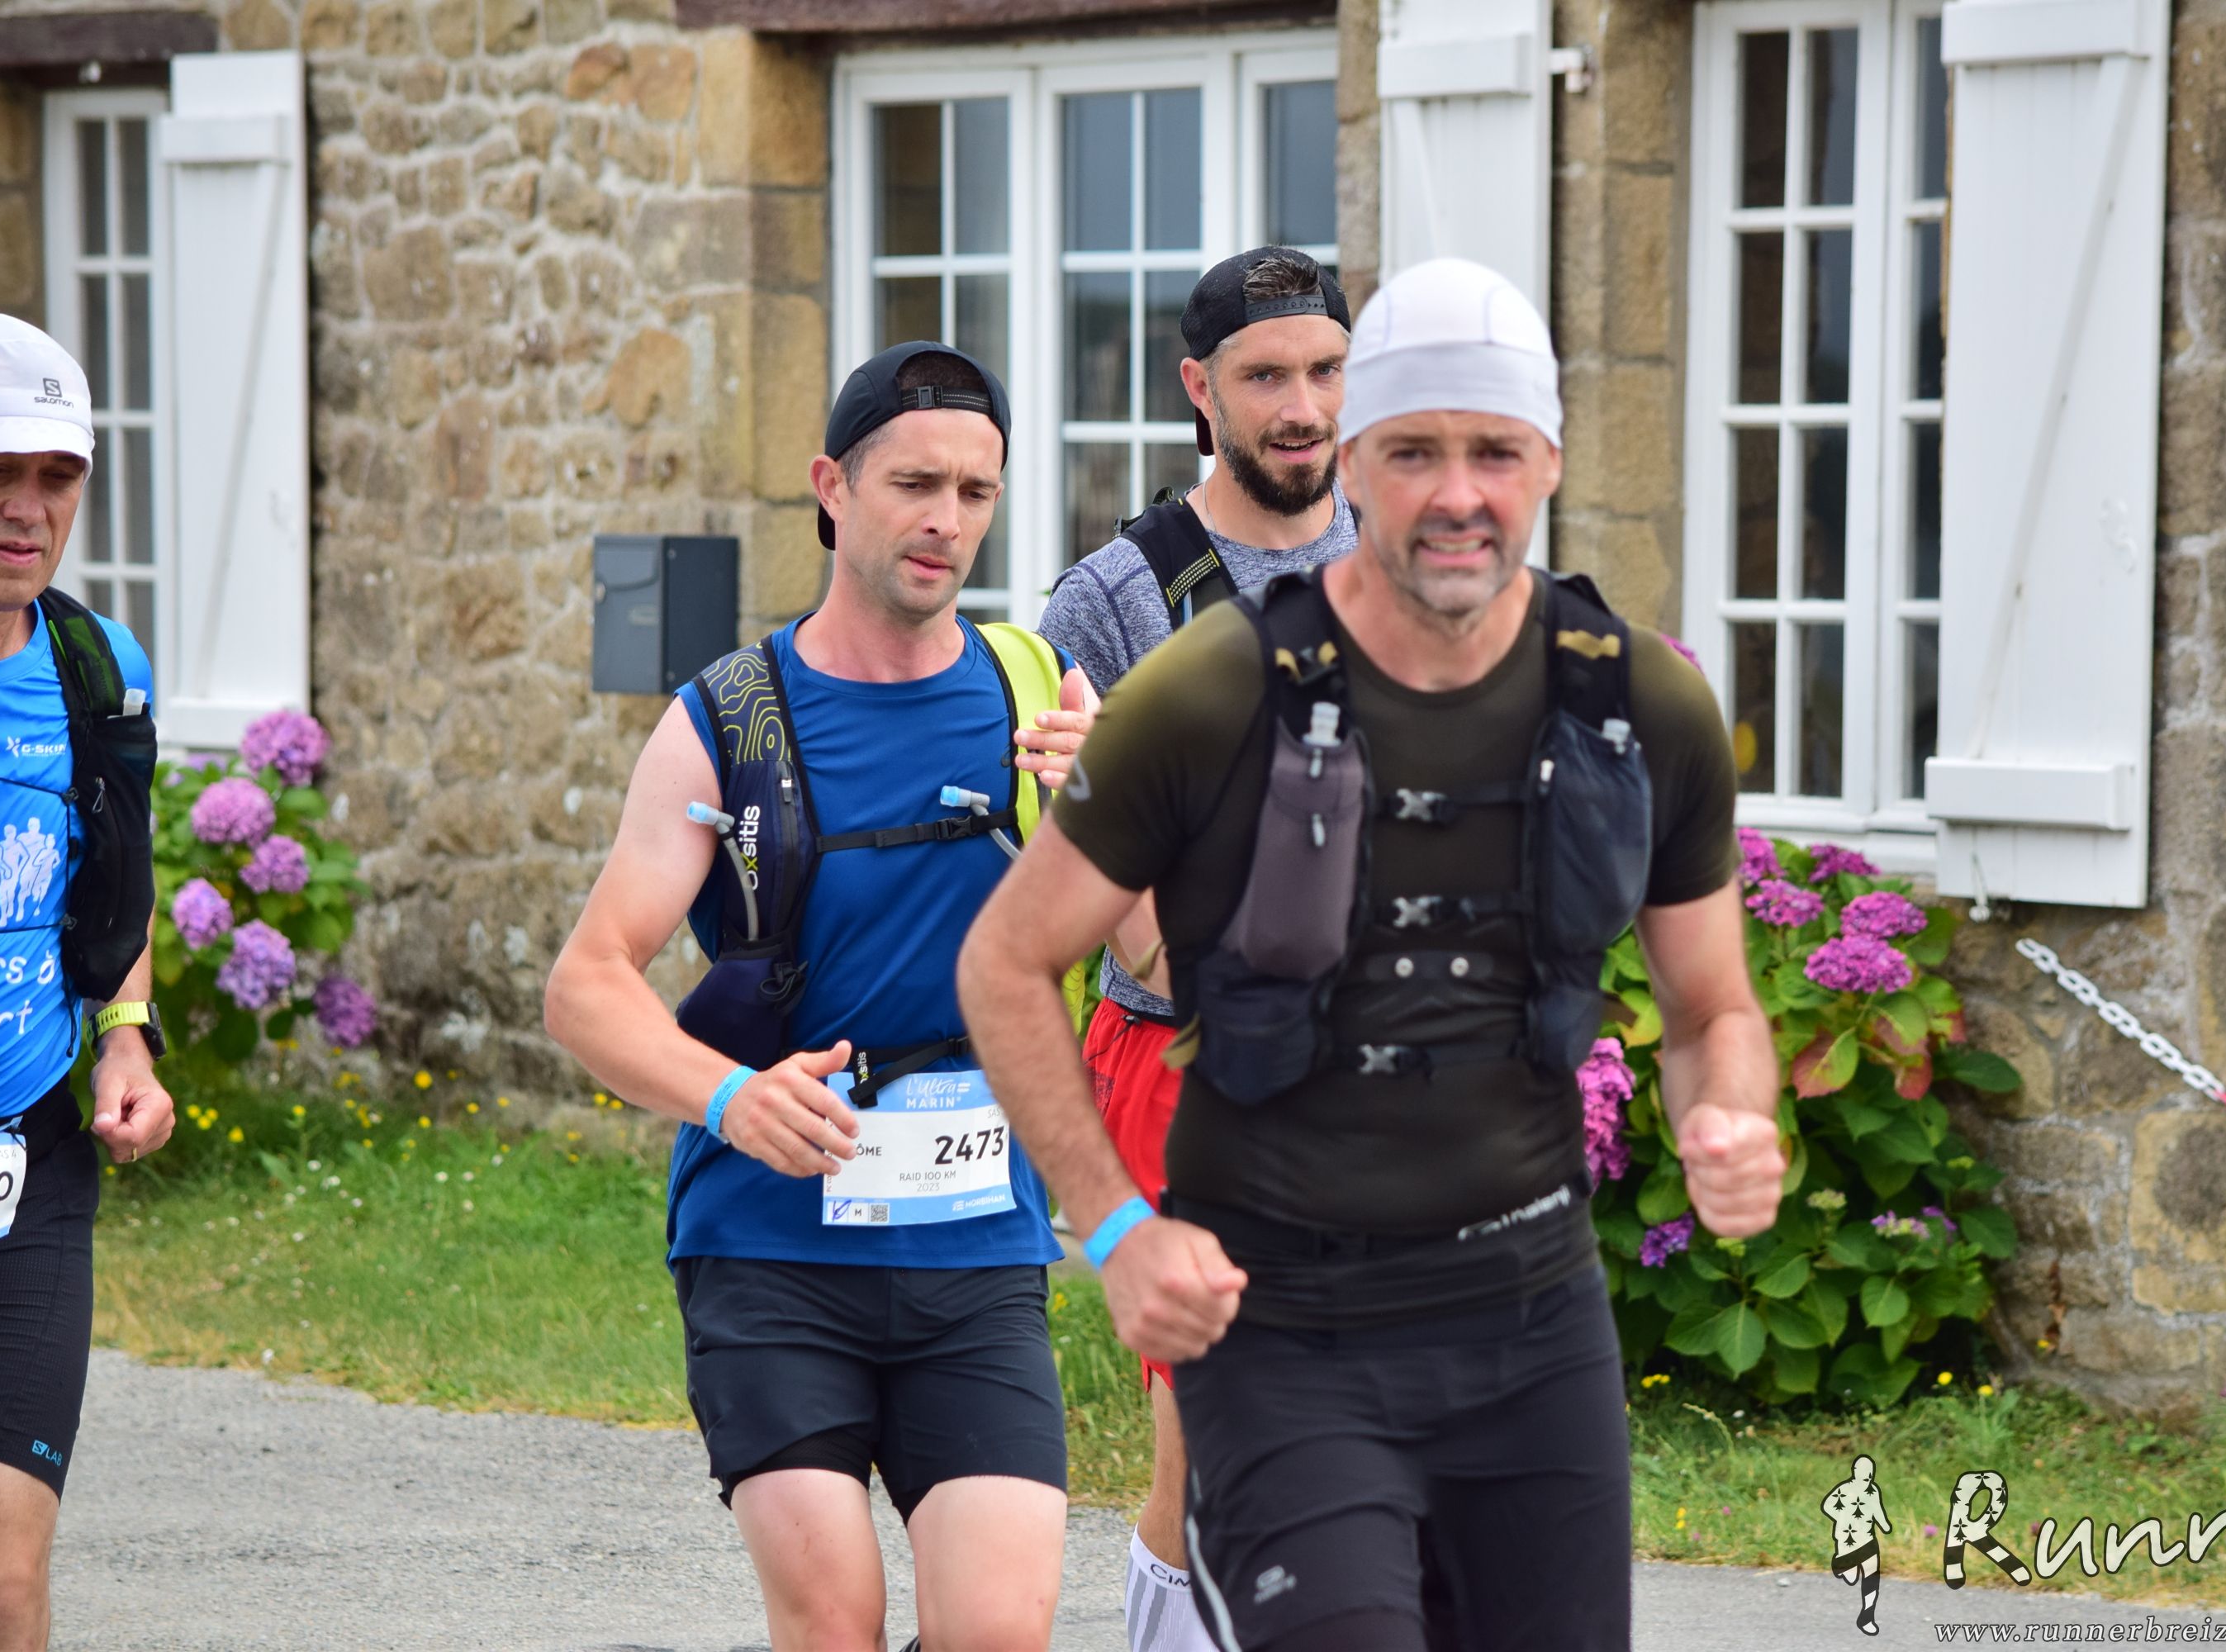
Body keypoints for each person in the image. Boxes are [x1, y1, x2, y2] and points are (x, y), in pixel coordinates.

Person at [960, 259, 1787, 1652]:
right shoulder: (1214, 686)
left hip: (1533, 1328)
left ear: (1551, 463)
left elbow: (1713, 1011)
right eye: (1414, 453)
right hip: (1287, 1330)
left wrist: (1733, 1116)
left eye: (1495, 452)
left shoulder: (1640, 701)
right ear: (1356, 463)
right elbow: (1006, 961)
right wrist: (1114, 1226)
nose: (1458, 493)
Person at [544, 342, 1096, 1652]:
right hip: (771, 1250)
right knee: (834, 1620)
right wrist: (730, 1098)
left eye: (975, 491)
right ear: (833, 489)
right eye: (915, 484)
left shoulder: (1043, 695)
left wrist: (1111, 808)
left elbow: (1164, 964)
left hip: (977, 1244)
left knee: (1000, 1631)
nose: (946, 519)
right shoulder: (725, 720)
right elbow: (588, 984)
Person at [1037, 244, 1354, 1652]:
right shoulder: (1114, 602)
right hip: (1185, 1057)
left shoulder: (1408, 558)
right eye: (1265, 376)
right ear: (1198, 389)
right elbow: (1118, 916)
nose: (1303, 407)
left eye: (1326, 371)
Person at [0, 313, 173, 1652]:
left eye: (57, 477)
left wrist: (127, 1037)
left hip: (25, 1168)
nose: (26, 507)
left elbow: (116, 886)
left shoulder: (99, 672)